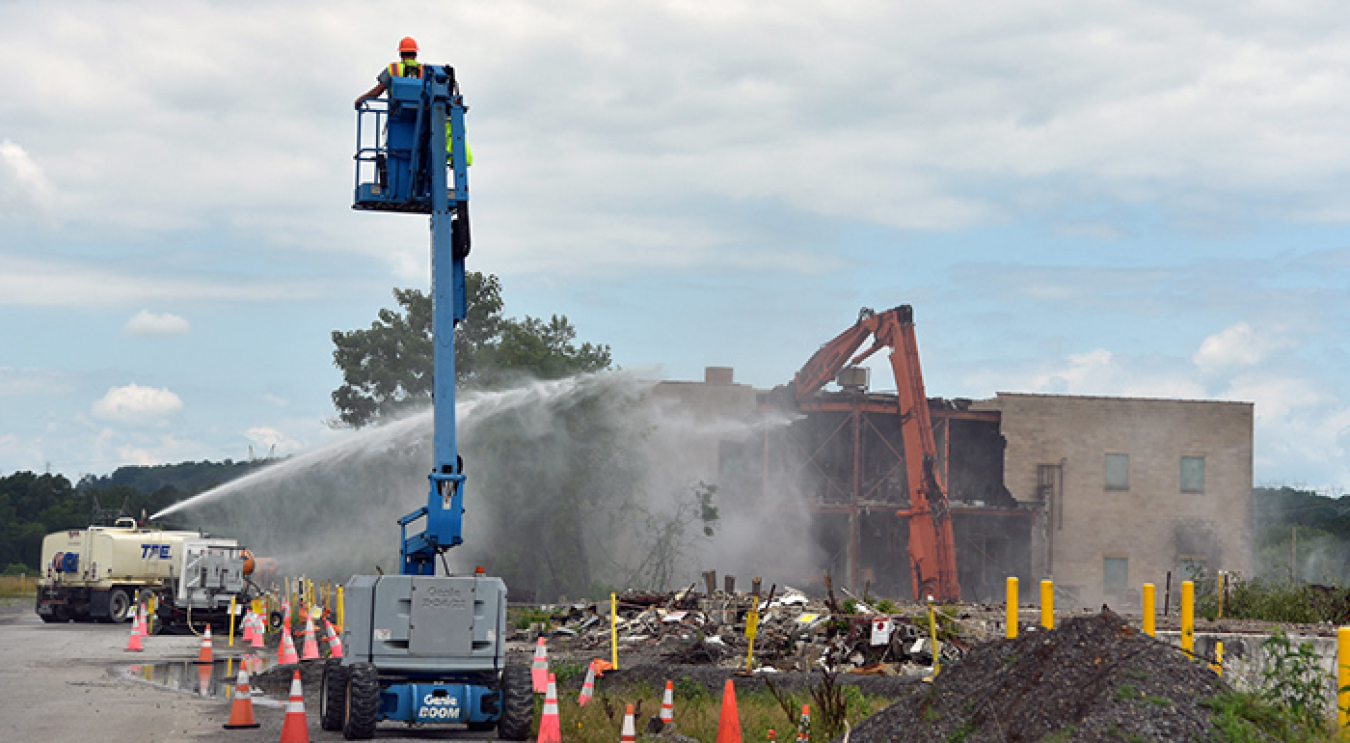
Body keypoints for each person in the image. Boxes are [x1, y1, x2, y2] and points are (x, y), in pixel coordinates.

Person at [354, 36, 423, 110]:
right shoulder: (424, 70)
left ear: (400, 54)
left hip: (397, 113)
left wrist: (361, 99)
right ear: (415, 54)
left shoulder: (393, 68)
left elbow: (378, 91)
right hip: (420, 113)